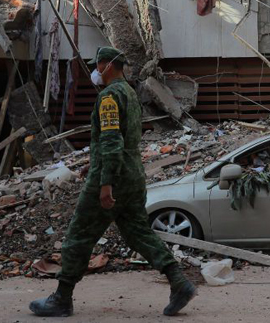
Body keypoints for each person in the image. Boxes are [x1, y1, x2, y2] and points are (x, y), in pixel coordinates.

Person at [30, 46, 197, 317]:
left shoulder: (109, 97)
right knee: (138, 233)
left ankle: (61, 298)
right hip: (132, 174)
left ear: (107, 65)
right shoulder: (130, 94)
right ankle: (179, 282)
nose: (96, 70)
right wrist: (93, 164)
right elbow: (121, 139)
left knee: (79, 235)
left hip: (113, 177)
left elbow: (111, 140)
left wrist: (105, 182)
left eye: (97, 65)